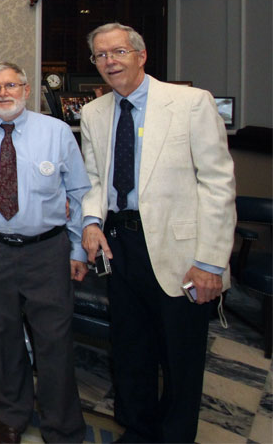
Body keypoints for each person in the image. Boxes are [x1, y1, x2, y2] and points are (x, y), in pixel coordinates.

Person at [79, 23, 236, 443]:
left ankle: (175, 435)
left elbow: (218, 184)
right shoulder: (93, 113)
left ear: (141, 55)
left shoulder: (190, 103)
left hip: (180, 249)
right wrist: (92, 222)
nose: (110, 62)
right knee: (132, 348)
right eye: (100, 55)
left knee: (180, 354)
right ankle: (139, 427)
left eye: (118, 52)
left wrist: (209, 262)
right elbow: (95, 179)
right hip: (120, 246)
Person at [0, 62, 90, 444]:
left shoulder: (57, 132)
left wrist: (78, 248)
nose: (2, 93)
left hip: (47, 251)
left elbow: (79, 193)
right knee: (0, 337)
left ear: (26, 90)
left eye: (10, 85)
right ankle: (12, 415)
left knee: (54, 340)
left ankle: (62, 426)